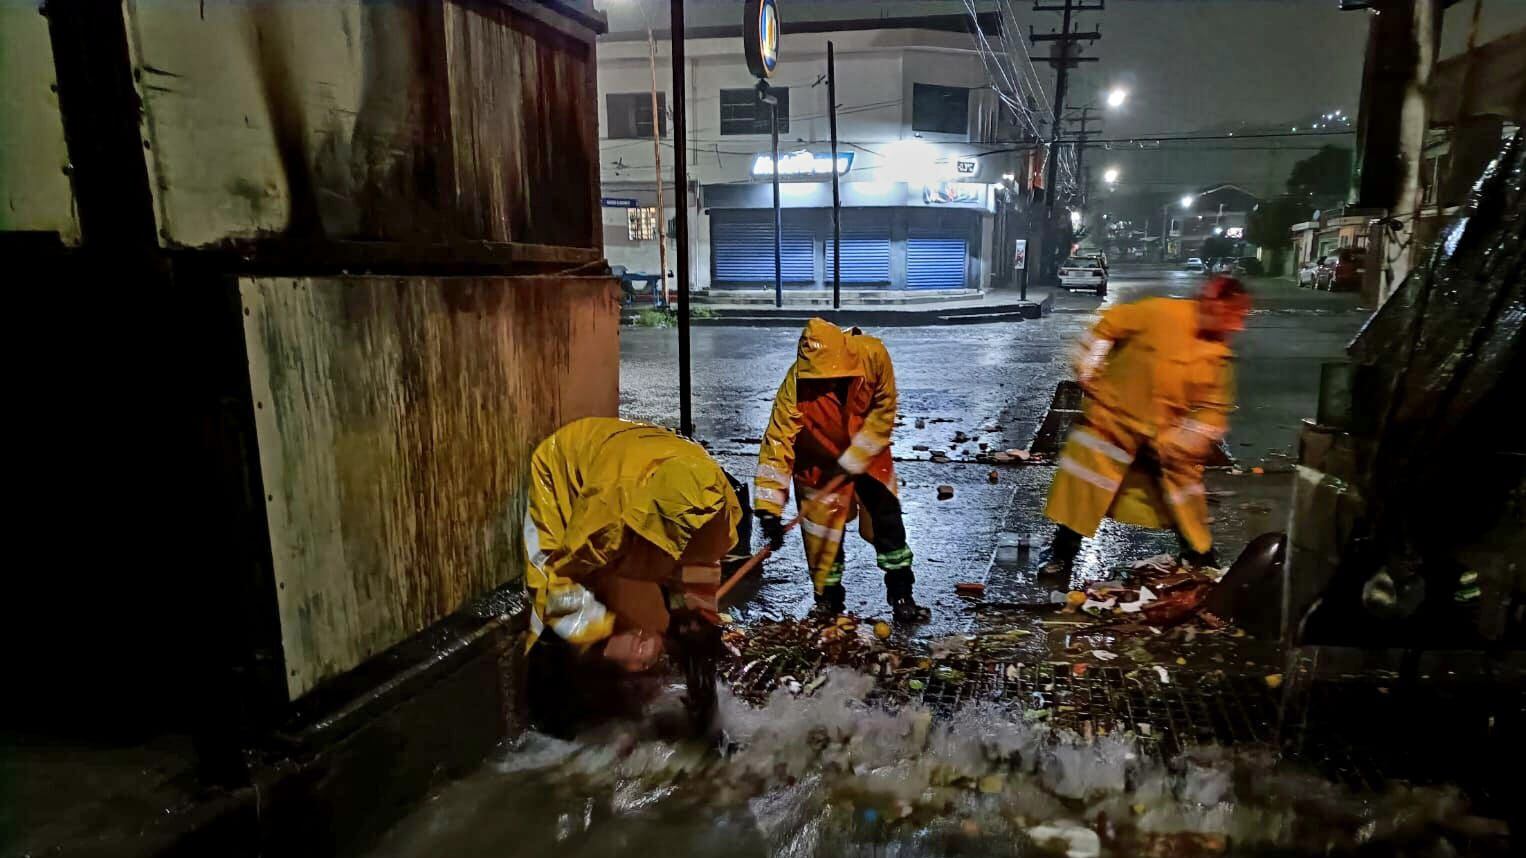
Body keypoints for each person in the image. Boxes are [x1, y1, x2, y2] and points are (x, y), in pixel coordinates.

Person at [522, 417, 741, 734]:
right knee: (559, 612)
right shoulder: (605, 519)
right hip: (563, 466)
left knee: (695, 628)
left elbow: (699, 560)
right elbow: (557, 582)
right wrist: (605, 638)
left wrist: (695, 618)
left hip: (637, 461)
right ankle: (555, 719)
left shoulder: (717, 501)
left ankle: (704, 713)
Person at [1040, 276, 1252, 577]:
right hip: (1111, 427)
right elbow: (1108, 328)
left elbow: (1213, 408)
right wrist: (1089, 369)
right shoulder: (1159, 313)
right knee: (1084, 495)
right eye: (1234, 316)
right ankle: (1060, 556)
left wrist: (1187, 441)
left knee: (1184, 505)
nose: (1237, 327)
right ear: (1213, 302)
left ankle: (1202, 560)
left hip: (1162, 440)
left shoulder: (1217, 354)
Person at [755, 319, 928, 622]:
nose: (826, 385)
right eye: (819, 380)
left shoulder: (874, 355)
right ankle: (828, 601)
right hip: (817, 464)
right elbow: (777, 443)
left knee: (887, 525)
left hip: (869, 455)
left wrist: (853, 459)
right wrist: (768, 509)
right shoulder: (795, 386)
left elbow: (883, 410)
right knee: (822, 539)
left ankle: (902, 594)